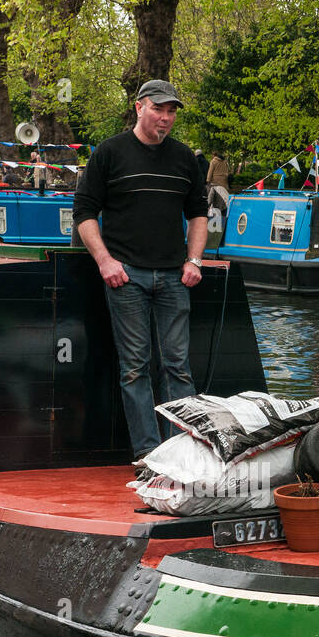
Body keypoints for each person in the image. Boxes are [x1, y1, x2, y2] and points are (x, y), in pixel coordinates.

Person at [72, 79, 208, 461]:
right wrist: (104, 261)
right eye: (158, 110)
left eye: (171, 112)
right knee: (135, 369)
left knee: (178, 367)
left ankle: (184, 453)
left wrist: (194, 260)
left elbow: (198, 213)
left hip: (174, 276)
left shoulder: (185, 158)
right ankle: (149, 455)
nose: (166, 118)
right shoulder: (109, 153)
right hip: (125, 276)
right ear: (139, 108)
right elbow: (84, 212)